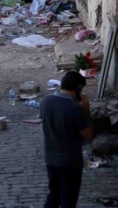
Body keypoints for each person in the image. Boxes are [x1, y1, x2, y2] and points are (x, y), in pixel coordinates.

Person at [40, 71, 93, 208]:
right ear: (78, 88)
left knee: (54, 195)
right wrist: (86, 110)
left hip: (51, 158)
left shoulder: (46, 102)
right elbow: (87, 134)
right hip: (70, 160)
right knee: (68, 200)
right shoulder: (74, 108)